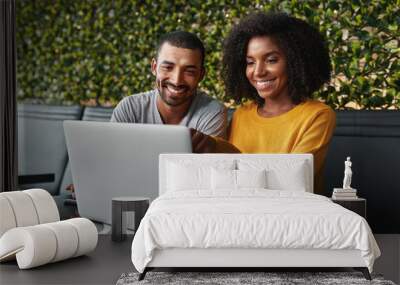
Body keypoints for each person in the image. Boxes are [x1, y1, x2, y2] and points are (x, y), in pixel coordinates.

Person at [192, 12, 336, 194]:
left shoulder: (317, 115)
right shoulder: (241, 114)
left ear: (296, 61)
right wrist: (210, 146)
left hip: (293, 215)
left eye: (271, 60)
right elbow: (229, 167)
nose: (258, 72)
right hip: (240, 211)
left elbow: (291, 179)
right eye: (250, 62)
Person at [111, 31, 227, 139]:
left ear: (201, 75)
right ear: (154, 67)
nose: (176, 81)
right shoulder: (129, 109)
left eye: (189, 71)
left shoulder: (212, 113)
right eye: (168, 67)